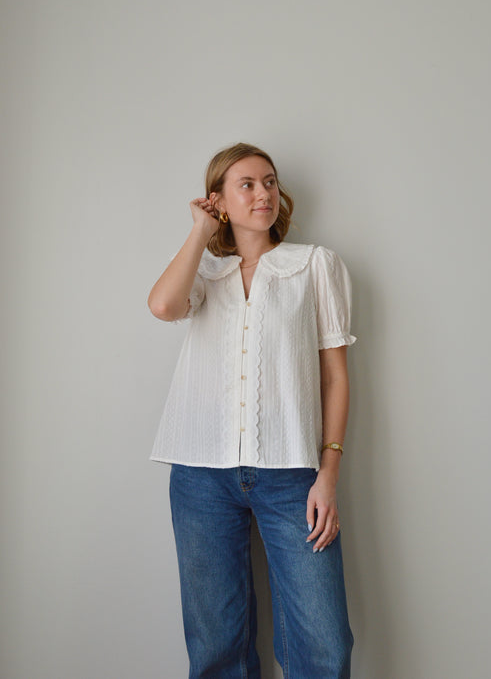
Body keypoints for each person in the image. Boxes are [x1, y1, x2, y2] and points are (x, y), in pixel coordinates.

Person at [147, 142, 357, 678]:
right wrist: (199, 230)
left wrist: (328, 471)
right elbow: (163, 306)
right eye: (246, 184)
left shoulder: (314, 265)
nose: (263, 193)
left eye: (269, 181)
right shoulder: (203, 271)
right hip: (199, 475)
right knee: (216, 643)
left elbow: (335, 376)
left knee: (324, 643)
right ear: (218, 199)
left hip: (291, 475)